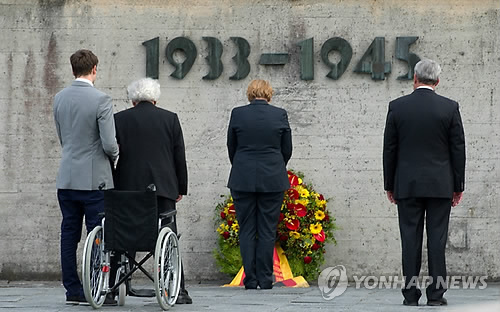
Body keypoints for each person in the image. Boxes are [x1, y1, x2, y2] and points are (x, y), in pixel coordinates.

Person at [383, 59, 466, 306]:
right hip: (440, 184)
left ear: (415, 78)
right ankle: (436, 295)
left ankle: (410, 295)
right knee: (437, 239)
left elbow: (389, 149)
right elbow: (458, 149)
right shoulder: (449, 108)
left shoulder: (397, 107)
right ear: (437, 81)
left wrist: (390, 184)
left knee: (410, 238)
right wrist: (458, 185)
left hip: (407, 184)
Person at [113, 77, 191, 304]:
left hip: (128, 188)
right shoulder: (170, 119)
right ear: (155, 98)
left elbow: (111, 153)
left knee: (123, 236)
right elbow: (179, 156)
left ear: (133, 99)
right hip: (163, 188)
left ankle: (113, 286)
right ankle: (179, 290)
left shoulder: (119, 119)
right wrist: (180, 188)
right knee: (169, 236)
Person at [53, 49, 119, 305]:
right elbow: (109, 143)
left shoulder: (59, 98)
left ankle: (72, 290)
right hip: (94, 180)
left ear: (73, 70)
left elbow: (63, 138)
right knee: (98, 234)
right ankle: (94, 287)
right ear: (94, 69)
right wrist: (115, 157)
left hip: (67, 177)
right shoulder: (101, 99)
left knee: (69, 233)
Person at [227, 79, 293, 289]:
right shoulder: (279, 114)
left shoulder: (238, 114)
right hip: (272, 177)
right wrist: (275, 165)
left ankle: (250, 279)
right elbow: (287, 148)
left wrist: (240, 165)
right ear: (269, 94)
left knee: (246, 228)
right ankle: (265, 279)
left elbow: (232, 146)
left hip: (242, 176)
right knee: (267, 229)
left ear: (250, 93)